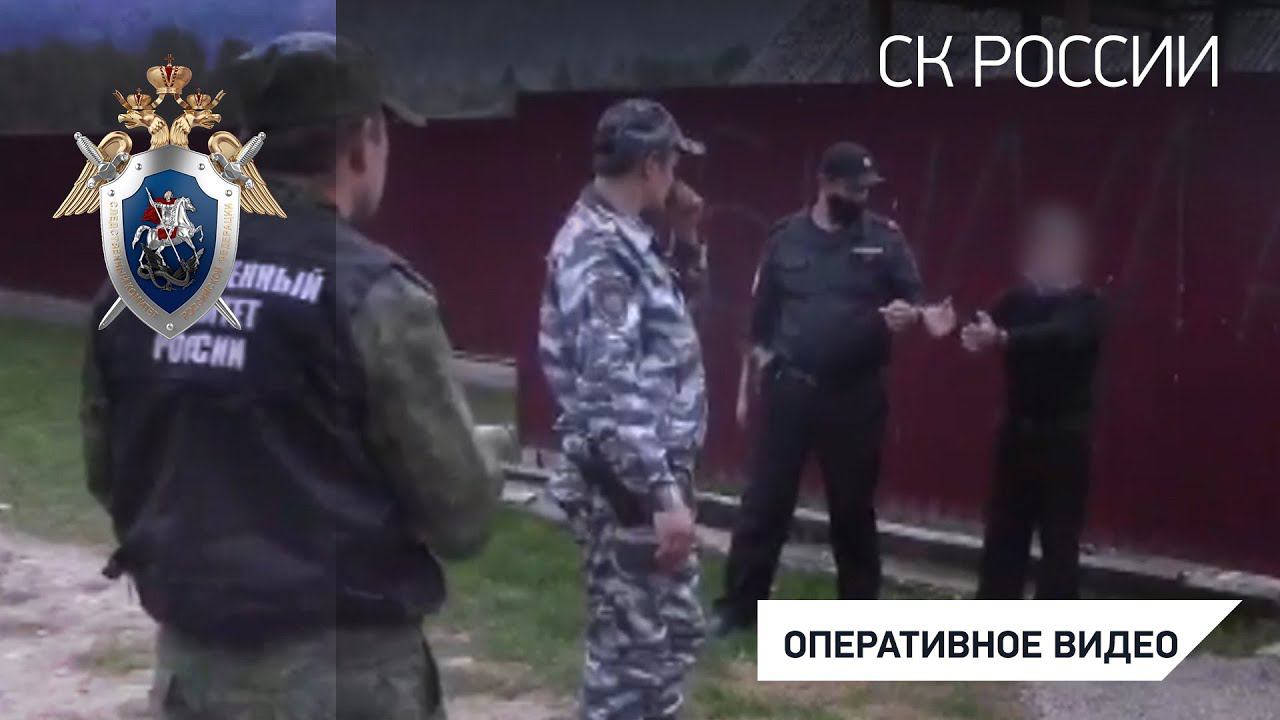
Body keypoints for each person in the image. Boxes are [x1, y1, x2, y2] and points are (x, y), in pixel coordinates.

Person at [80, 32, 504, 719]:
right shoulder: (374, 294)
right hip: (347, 683)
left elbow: (109, 473)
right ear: (362, 143)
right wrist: (485, 453)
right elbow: (459, 515)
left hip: (195, 675)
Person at [710, 141, 956, 636]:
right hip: (790, 391)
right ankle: (740, 608)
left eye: (867, 189)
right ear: (824, 183)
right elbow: (760, 320)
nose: (861, 197)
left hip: (854, 396)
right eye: (852, 188)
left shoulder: (885, 240)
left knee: (852, 509)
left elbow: (917, 303)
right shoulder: (785, 239)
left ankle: (858, 618)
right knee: (764, 503)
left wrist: (916, 317)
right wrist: (754, 379)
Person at [538, 97, 709, 720]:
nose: (677, 178)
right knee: (629, 664)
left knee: (669, 644)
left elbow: (675, 326)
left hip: (650, 477)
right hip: (628, 486)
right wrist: (661, 495)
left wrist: (687, 238)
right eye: (673, 164)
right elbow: (610, 387)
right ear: (651, 165)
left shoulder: (630, 240)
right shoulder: (598, 250)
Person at [960, 203, 1105, 600]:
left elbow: (1060, 337)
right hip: (1016, 434)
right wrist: (960, 327)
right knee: (1004, 534)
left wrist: (1004, 338)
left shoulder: (1086, 305)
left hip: (1064, 440)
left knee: (1058, 541)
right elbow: (981, 322)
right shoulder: (1017, 300)